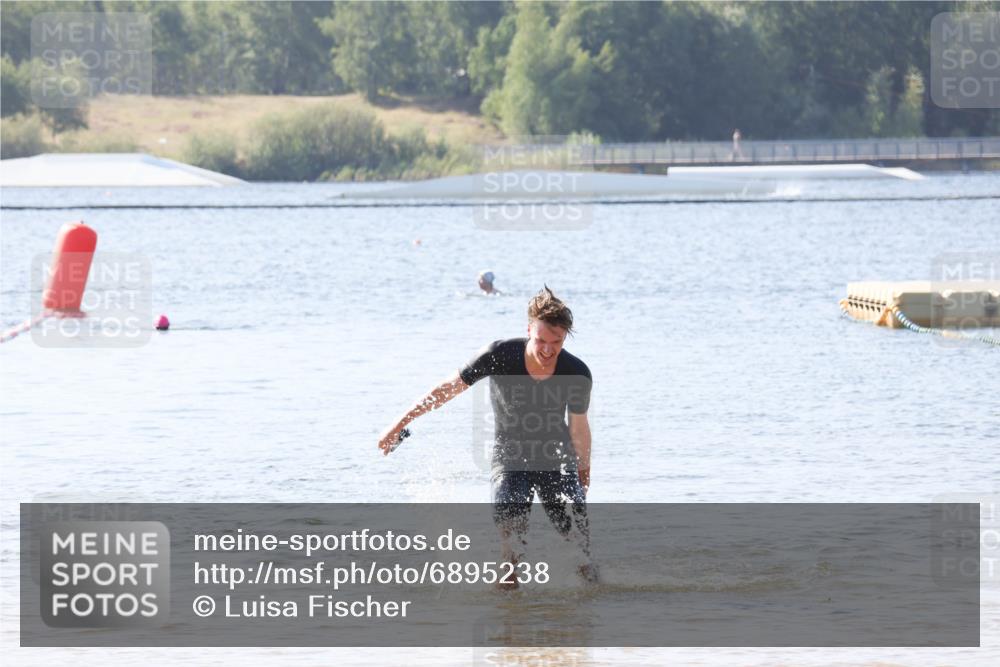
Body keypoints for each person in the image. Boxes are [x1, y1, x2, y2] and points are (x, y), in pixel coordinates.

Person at [378, 286, 596, 588]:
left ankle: (592, 612)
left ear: (565, 338)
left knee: (578, 545)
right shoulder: (500, 354)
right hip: (510, 458)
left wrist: (583, 472)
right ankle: (509, 622)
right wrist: (399, 423)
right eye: (541, 340)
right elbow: (448, 388)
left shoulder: (576, 372)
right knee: (511, 548)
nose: (547, 349)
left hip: (556, 459)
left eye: (556, 342)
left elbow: (579, 428)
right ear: (529, 329)